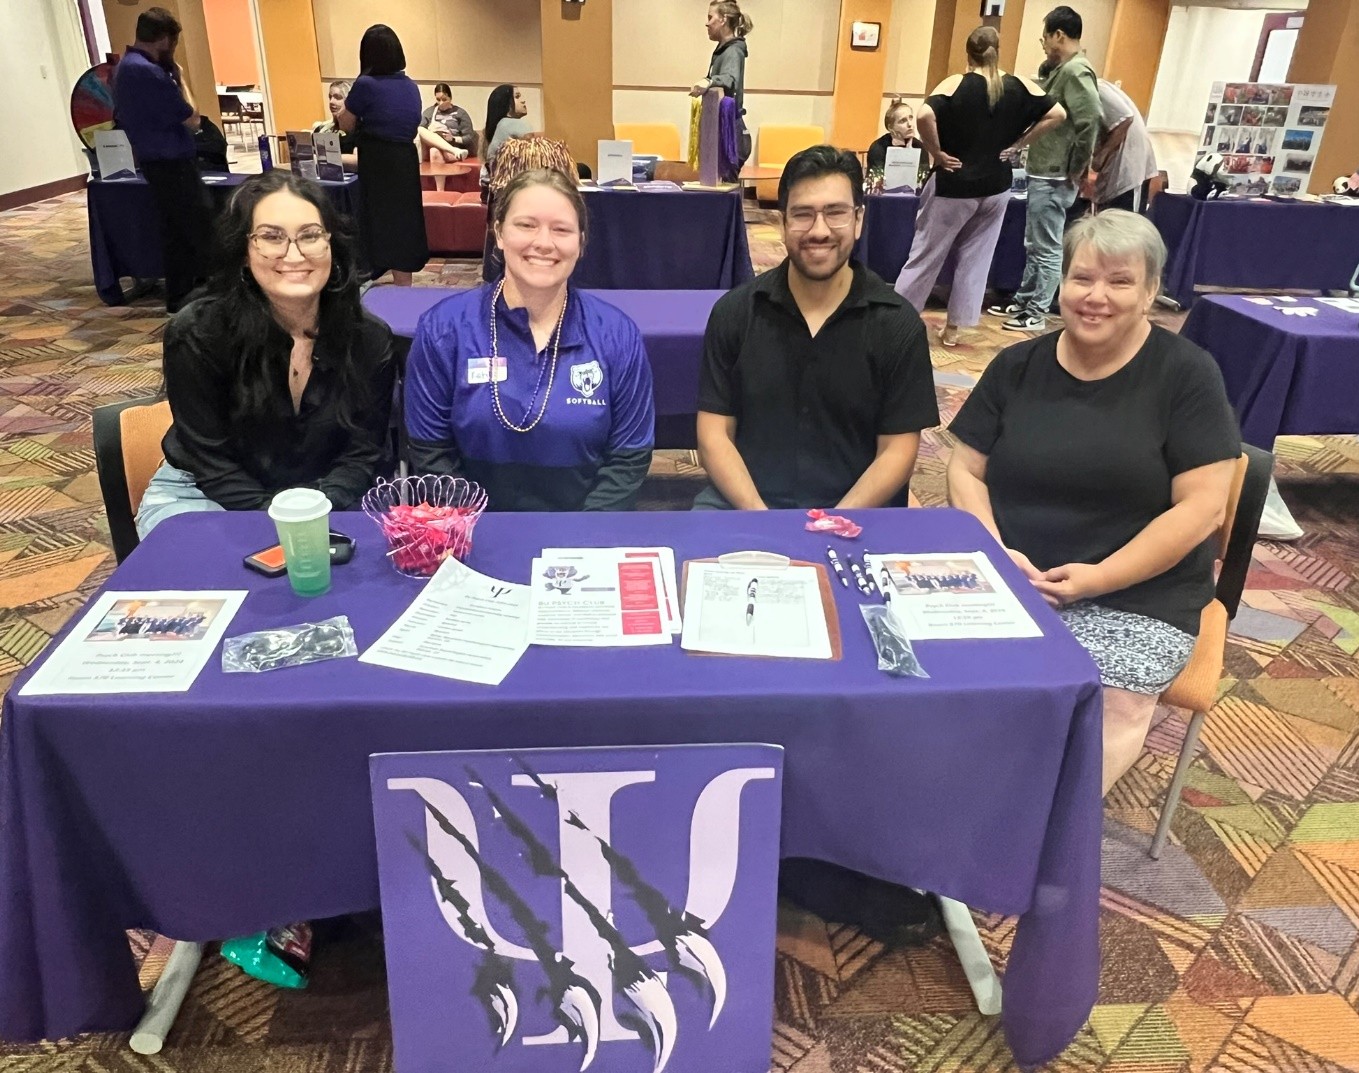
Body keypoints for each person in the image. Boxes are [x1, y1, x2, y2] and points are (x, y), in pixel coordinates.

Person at [947, 211, 1240, 795]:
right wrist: (996, 553)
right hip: (1011, 575)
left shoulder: (1187, 376)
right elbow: (964, 469)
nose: (1095, 297)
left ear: (1152, 290)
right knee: (923, 672)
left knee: (1112, 702)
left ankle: (1040, 849)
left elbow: (1203, 508)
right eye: (1082, 278)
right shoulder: (1018, 365)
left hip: (1138, 592)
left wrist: (1098, 579)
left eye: (1120, 282)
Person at [136, 170, 396, 537]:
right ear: (243, 252)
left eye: (310, 235)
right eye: (271, 237)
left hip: (324, 492)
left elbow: (364, 452)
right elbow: (211, 461)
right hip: (206, 491)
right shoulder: (198, 332)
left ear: (331, 246)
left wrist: (317, 511)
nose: (294, 254)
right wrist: (278, 525)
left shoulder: (369, 339)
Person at [695, 146, 938, 511]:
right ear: (782, 223)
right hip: (745, 504)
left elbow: (898, 450)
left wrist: (833, 523)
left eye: (835, 213)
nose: (819, 230)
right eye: (803, 215)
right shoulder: (735, 313)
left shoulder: (897, 324)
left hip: (859, 511)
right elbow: (714, 436)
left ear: (859, 220)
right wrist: (761, 518)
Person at [404, 168, 655, 511]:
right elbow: (430, 451)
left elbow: (628, 459)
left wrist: (582, 539)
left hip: (582, 536)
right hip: (472, 531)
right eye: (526, 225)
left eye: (561, 229)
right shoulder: (443, 330)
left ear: (581, 243)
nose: (543, 242)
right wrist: (475, 528)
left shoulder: (617, 334)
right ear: (499, 232)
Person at [893, 27, 1063, 347]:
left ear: (967, 53)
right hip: (997, 186)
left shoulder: (956, 82)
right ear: (998, 51)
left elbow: (925, 114)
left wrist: (936, 152)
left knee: (925, 256)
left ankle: (898, 323)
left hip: (953, 186)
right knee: (976, 259)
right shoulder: (1019, 84)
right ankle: (954, 330)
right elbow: (1057, 113)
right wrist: (1019, 144)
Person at [987, 6, 1100, 333]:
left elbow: (1089, 120)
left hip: (1055, 173)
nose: (1045, 46)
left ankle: (1036, 311)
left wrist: (1077, 167)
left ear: (1059, 36)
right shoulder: (1061, 69)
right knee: (1033, 243)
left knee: (1047, 247)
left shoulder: (1077, 72)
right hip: (1043, 169)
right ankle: (1023, 300)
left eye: (1045, 39)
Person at [111, 7, 212, 314]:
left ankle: (180, 295)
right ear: (165, 39)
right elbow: (192, 119)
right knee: (199, 226)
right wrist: (180, 78)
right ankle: (210, 294)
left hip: (153, 160)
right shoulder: (149, 72)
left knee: (175, 231)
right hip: (171, 162)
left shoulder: (125, 66)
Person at [339, 25, 428, 286]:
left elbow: (346, 125)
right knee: (404, 221)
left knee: (377, 220)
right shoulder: (410, 85)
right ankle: (403, 283)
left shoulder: (365, 84)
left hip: (378, 160)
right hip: (405, 159)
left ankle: (371, 276)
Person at [1077, 79, 1158, 216]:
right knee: (1106, 225)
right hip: (1113, 171)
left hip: (1128, 169)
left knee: (1123, 227)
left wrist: (1098, 160)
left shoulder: (1094, 87)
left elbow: (1125, 118)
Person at [691, 1, 754, 169]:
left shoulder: (733, 50)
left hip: (731, 135)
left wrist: (709, 81)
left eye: (710, 17)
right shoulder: (723, 49)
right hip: (724, 130)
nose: (707, 23)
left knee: (727, 188)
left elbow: (730, 78)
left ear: (723, 20)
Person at [481, 84, 534, 185]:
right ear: (507, 103)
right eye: (517, 97)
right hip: (510, 191)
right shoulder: (515, 124)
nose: (523, 100)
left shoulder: (497, 126)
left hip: (490, 191)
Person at [419, 82, 475, 161]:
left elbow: (469, 137)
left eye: (444, 99)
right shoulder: (429, 112)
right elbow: (420, 131)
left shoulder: (460, 113)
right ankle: (454, 152)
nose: (441, 103)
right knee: (420, 130)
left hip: (454, 146)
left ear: (450, 98)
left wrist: (453, 139)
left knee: (435, 152)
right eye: (438, 100)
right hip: (435, 145)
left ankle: (455, 150)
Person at [866, 99, 924, 174]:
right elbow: (876, 181)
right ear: (890, 127)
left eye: (911, 118)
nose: (910, 124)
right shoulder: (878, 148)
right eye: (903, 121)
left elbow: (924, 178)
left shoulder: (919, 146)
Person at [311, 80, 358, 171]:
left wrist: (325, 158)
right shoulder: (322, 130)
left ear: (350, 101)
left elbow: (357, 161)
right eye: (330, 97)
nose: (331, 102)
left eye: (338, 97)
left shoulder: (361, 131)